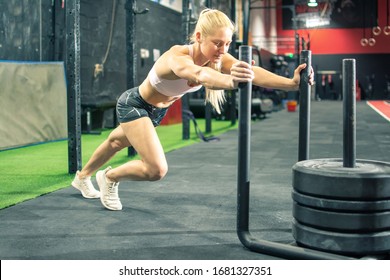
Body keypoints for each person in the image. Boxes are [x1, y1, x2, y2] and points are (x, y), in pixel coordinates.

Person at [71, 8, 314, 211]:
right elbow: (199, 74)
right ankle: (109, 177)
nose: (223, 50)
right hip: (134, 104)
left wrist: (291, 84)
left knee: (115, 142)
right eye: (217, 43)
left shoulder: (219, 58)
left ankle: (81, 178)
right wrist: (231, 82)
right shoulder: (177, 57)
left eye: (227, 44)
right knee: (156, 169)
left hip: (156, 111)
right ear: (198, 36)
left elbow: (253, 73)